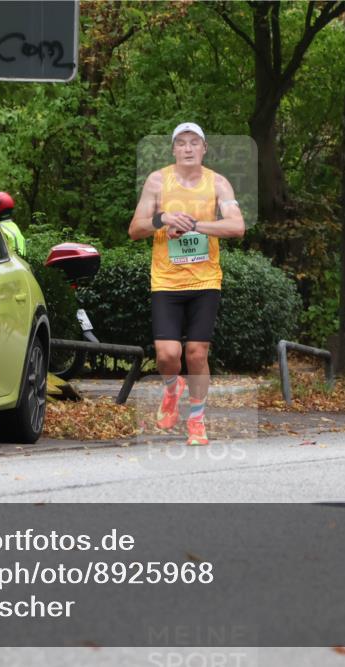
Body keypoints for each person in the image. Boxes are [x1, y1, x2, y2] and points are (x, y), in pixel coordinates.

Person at [128, 122, 245, 445]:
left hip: (206, 280)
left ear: (204, 149)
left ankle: (196, 420)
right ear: (174, 149)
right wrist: (162, 219)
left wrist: (196, 225)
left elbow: (237, 226)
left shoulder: (218, 183)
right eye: (182, 143)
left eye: (195, 143)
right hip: (166, 280)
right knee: (167, 355)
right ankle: (171, 387)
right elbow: (135, 229)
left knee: (196, 353)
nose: (189, 148)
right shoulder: (157, 181)